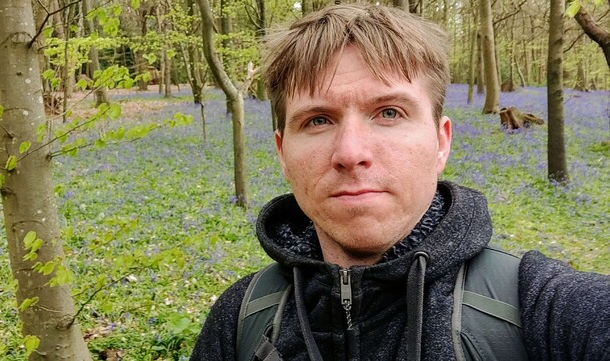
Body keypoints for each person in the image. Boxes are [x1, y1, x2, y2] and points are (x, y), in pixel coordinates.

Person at [190, 3, 610, 361]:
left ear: (441, 142)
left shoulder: (547, 310)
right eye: (318, 120)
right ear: (282, 153)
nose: (351, 152)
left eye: (389, 112)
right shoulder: (239, 322)